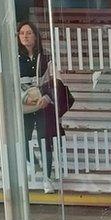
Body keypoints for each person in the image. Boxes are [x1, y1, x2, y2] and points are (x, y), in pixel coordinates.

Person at [18, 21, 67, 193]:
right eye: (22, 33)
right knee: (21, 140)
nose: (25, 36)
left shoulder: (46, 57)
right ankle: (36, 164)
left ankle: (47, 178)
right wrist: (23, 96)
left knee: (44, 141)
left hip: (42, 105)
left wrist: (47, 96)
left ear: (35, 36)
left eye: (29, 32)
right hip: (23, 106)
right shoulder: (14, 57)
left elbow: (56, 80)